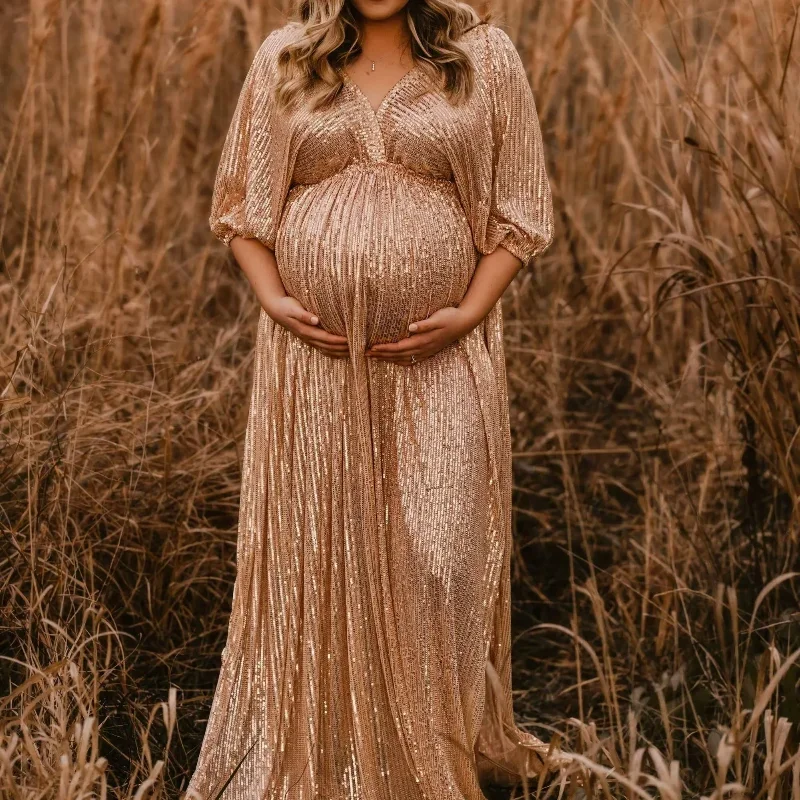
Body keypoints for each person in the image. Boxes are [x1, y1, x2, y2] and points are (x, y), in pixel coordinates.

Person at [185, 1, 566, 798]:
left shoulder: (483, 57)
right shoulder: (286, 57)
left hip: (441, 359)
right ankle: (330, 763)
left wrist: (468, 312)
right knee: (318, 560)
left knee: (439, 554)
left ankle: (426, 755)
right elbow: (241, 213)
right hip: (313, 371)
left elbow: (519, 214)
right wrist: (271, 297)